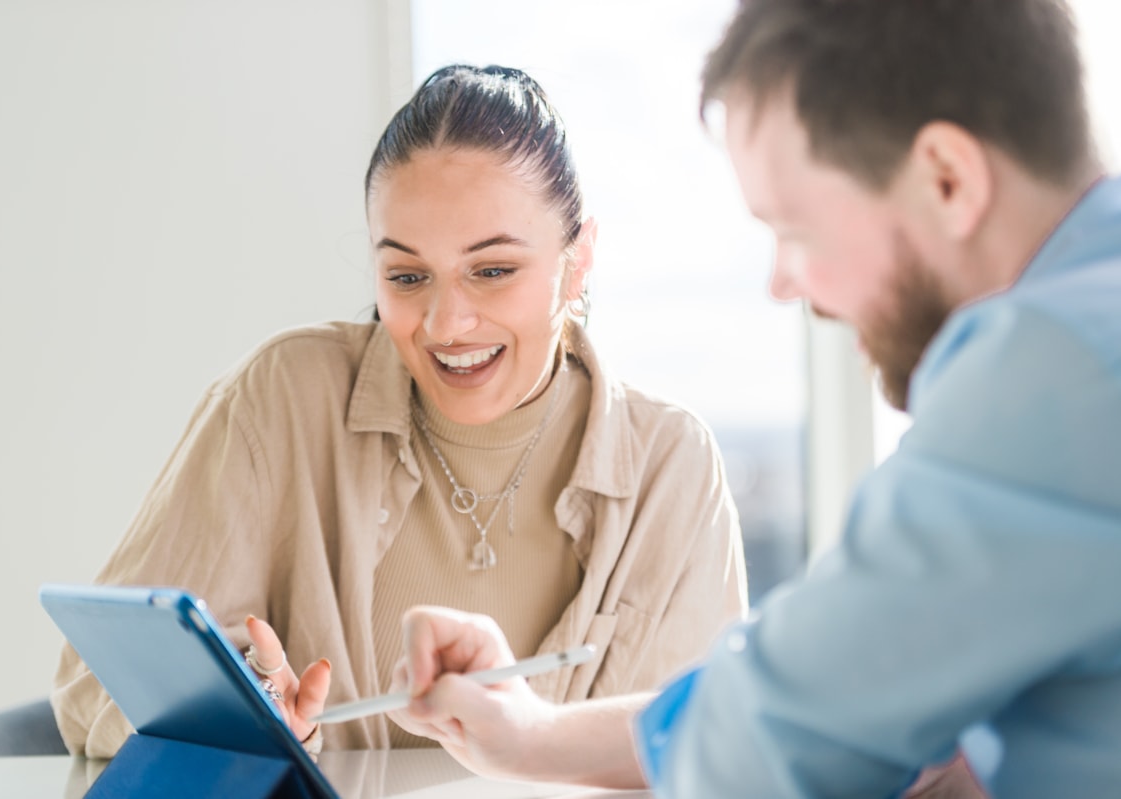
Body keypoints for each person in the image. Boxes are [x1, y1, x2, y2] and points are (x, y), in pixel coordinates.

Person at [380, 1, 1121, 796]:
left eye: (798, 230)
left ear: (946, 179)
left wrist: (532, 737)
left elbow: (781, 729)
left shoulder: (1050, 378)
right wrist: (530, 730)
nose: (784, 284)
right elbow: (847, 694)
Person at [50, 64, 748, 758]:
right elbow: (90, 686)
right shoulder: (282, 401)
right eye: (408, 277)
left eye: (493, 269)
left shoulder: (673, 468)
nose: (446, 324)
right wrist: (236, 718)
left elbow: (721, 753)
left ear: (579, 259)